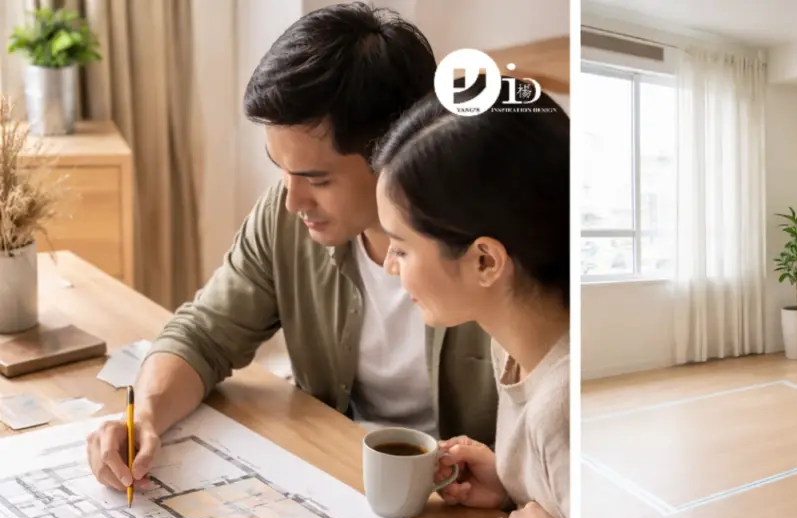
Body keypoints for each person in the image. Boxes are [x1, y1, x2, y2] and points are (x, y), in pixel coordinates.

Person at [85, 3, 496, 493]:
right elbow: (204, 335)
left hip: (469, 504)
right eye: (280, 169)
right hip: (339, 476)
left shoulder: (491, 251)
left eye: (317, 179)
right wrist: (144, 416)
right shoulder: (285, 218)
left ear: (401, 151)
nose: (292, 200)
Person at [371, 82, 570, 518]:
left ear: (485, 261)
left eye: (402, 248)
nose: (390, 266)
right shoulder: (511, 346)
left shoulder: (563, 406)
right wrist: (512, 482)